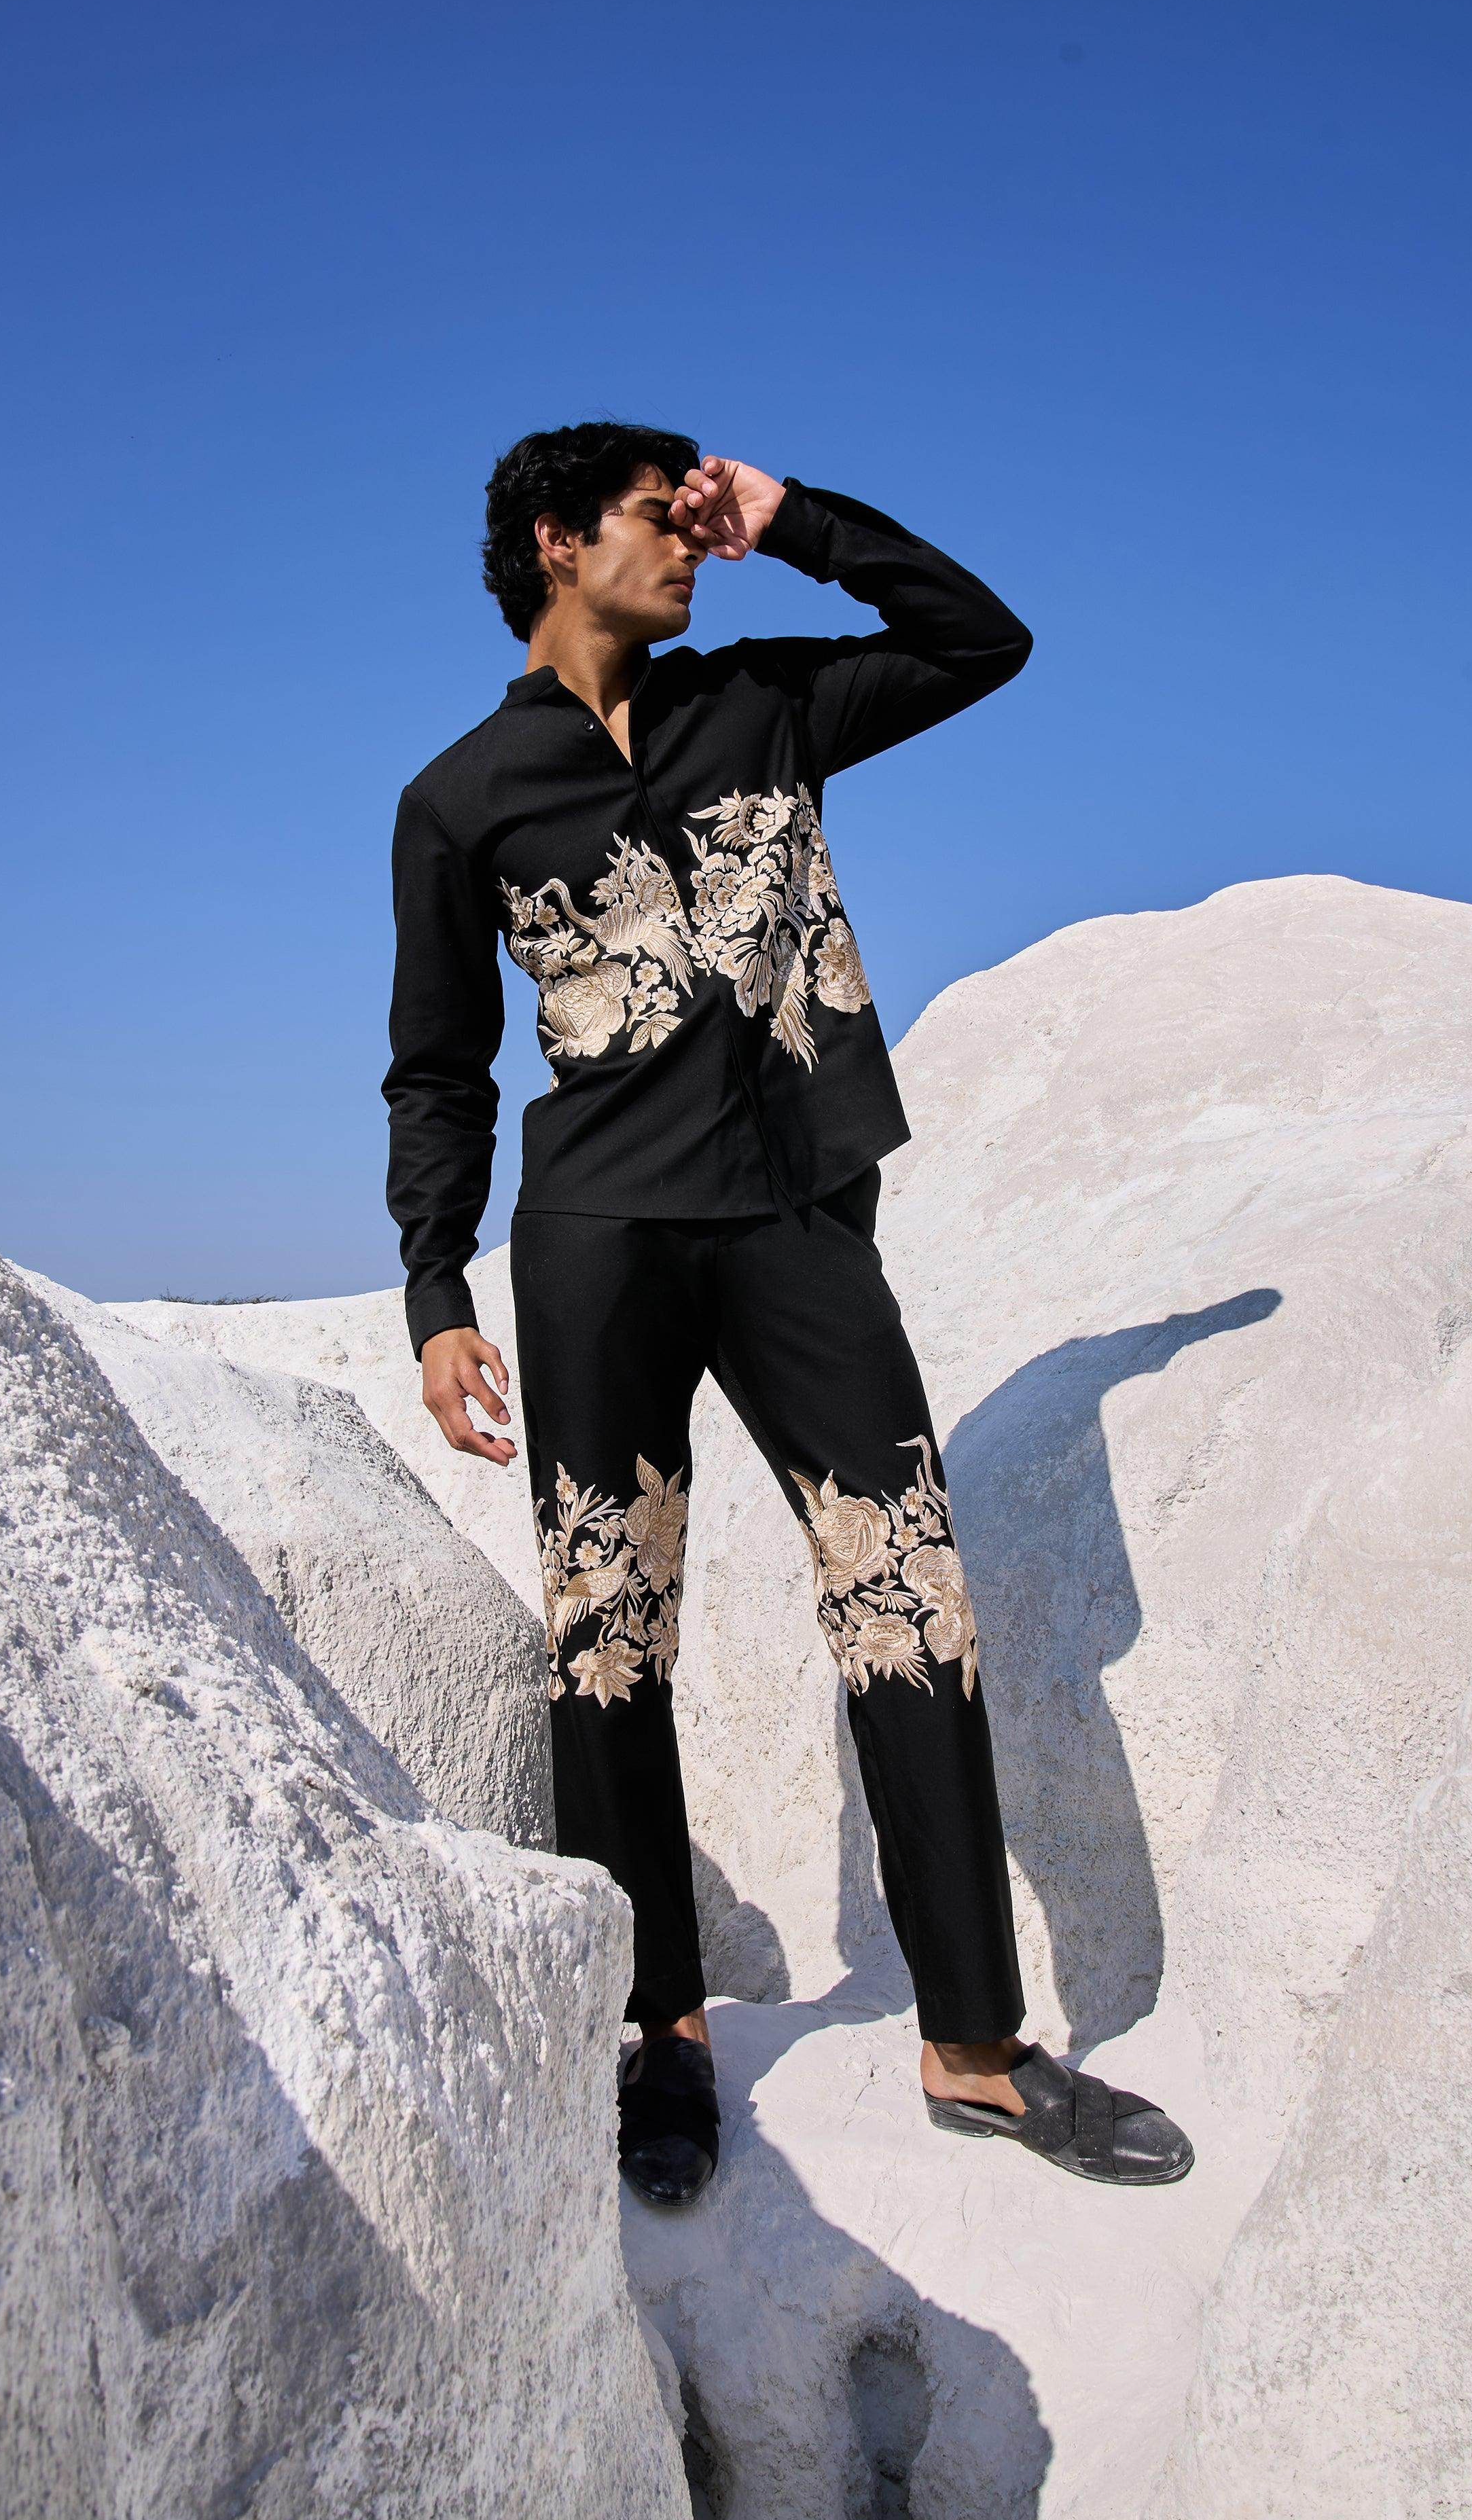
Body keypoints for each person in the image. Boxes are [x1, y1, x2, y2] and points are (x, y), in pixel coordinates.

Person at [384, 423, 1193, 2205]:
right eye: (659, 517)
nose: (690, 543)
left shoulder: (761, 703)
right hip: (596, 1240)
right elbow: (437, 1065)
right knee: (610, 1638)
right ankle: (659, 2032)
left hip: (794, 1227)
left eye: (701, 515)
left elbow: (982, 640)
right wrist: (438, 1286)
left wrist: (798, 520)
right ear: (557, 540)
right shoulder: (459, 799)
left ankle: (974, 2045)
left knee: (912, 1601)